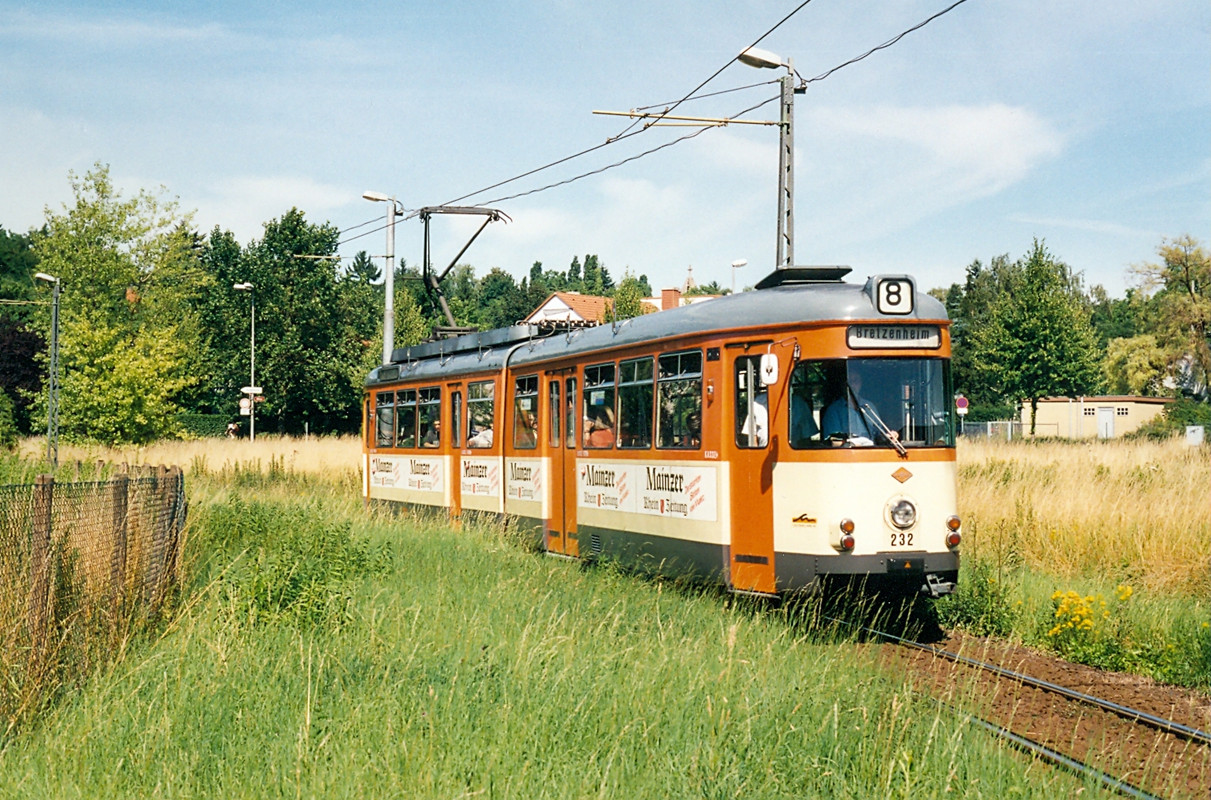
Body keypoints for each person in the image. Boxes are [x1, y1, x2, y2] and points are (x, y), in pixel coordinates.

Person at [821, 372, 893, 446]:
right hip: (847, 451)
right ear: (844, 385)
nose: (852, 385)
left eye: (856, 381)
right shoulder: (833, 410)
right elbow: (834, 441)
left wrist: (889, 436)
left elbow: (879, 434)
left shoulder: (869, 406)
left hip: (871, 450)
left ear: (860, 383)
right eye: (850, 382)